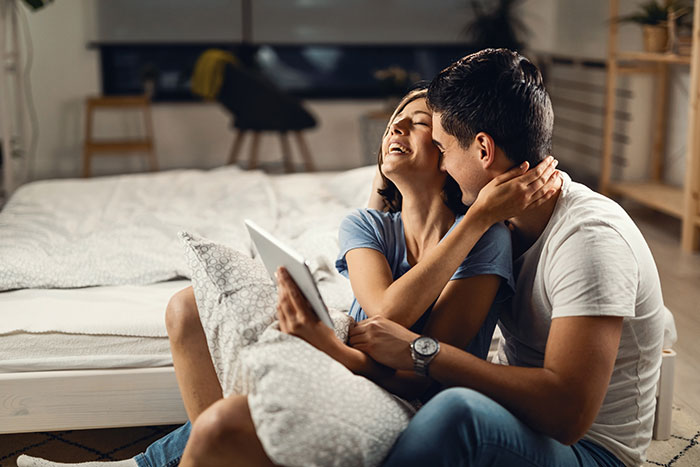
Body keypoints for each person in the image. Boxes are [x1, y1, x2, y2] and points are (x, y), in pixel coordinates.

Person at [18, 85, 527, 467]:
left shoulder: (485, 238)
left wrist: (478, 217)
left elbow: (424, 370)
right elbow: (379, 313)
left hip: (407, 400)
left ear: (447, 149)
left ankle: (158, 461)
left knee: (224, 421)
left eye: (417, 123)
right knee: (187, 306)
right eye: (395, 120)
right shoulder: (366, 223)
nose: (395, 128)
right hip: (346, 358)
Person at [347, 48, 666, 467]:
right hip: (523, 420)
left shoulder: (589, 239)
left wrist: (423, 352)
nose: (440, 162)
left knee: (458, 413)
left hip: (589, 450)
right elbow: (395, 229)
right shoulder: (497, 222)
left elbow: (568, 417)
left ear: (483, 150)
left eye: (441, 148)